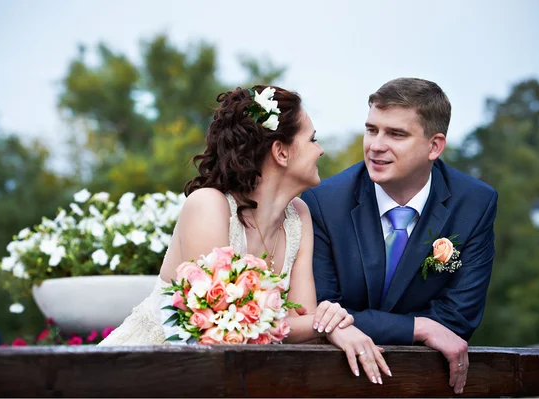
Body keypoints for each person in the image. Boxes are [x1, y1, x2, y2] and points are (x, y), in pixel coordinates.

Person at [99, 85, 390, 384]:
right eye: (312, 139)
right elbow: (222, 323)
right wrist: (331, 326)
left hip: (218, 378)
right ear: (281, 152)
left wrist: (325, 321)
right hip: (143, 371)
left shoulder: (299, 216)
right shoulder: (209, 206)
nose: (321, 149)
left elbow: (303, 320)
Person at [301, 77, 498, 395]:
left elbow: (459, 317)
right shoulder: (323, 202)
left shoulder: (474, 204)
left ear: (434, 146)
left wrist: (364, 322)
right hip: (334, 381)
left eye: (396, 134)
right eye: (372, 129)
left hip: (425, 385)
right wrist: (421, 327)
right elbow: (321, 312)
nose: (376, 145)